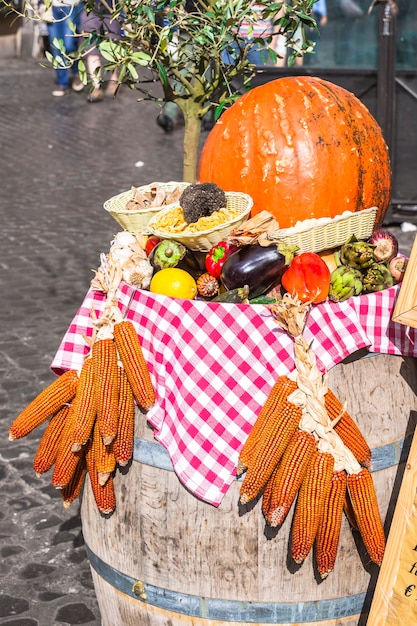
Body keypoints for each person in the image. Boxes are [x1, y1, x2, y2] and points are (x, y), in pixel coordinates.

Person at [80, 1, 122, 103]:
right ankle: (96, 85)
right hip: (91, 10)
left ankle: (113, 80)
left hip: (112, 11)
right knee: (91, 49)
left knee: (114, 50)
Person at [46, 0, 84, 96]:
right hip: (52, 8)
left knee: (69, 45)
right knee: (56, 47)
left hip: (71, 6)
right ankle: (62, 83)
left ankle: (76, 72)